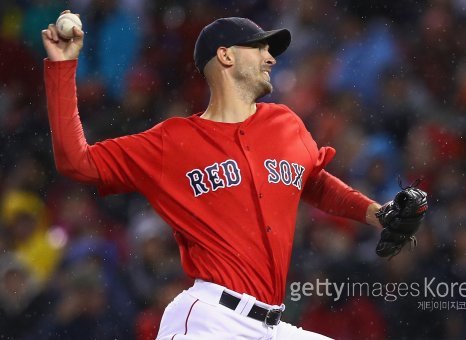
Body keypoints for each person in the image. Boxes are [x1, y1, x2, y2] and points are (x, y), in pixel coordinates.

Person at [42, 12, 402, 339]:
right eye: (260, 48)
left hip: (272, 325)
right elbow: (78, 161)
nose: (271, 58)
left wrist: (376, 214)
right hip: (210, 318)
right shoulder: (172, 141)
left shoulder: (285, 124)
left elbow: (313, 181)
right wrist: (63, 67)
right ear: (226, 56)